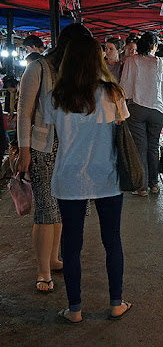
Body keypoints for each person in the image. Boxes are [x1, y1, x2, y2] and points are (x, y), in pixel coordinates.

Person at [44, 34, 132, 324]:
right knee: (113, 240)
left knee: (71, 244)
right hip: (105, 175)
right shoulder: (112, 93)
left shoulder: (56, 97)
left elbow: (48, 131)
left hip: (69, 177)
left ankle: (75, 309)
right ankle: (116, 303)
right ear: (98, 59)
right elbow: (121, 127)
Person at [17, 23, 92, 293]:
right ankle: (43, 270)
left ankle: (53, 259)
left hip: (72, 150)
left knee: (63, 208)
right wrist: (24, 151)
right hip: (43, 149)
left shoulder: (75, 71)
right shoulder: (37, 68)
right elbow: (24, 112)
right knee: (46, 210)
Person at [120, 32, 163, 196]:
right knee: (153, 147)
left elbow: (124, 88)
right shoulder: (161, 62)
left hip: (137, 109)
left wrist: (122, 108)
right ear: (153, 46)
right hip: (157, 110)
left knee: (140, 148)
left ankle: (141, 187)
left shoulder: (131, 61)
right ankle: (154, 184)